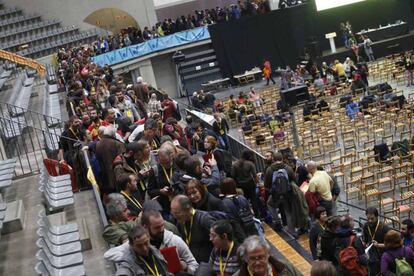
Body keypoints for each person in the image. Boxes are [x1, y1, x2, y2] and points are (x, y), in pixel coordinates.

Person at [141, 210, 199, 274]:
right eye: (157, 227)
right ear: (145, 227)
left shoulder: (175, 241)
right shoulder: (136, 246)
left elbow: (194, 265)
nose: (161, 229)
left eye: (162, 225)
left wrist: (185, 268)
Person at [170, 195, 215, 263]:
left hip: (206, 266)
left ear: (188, 209)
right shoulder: (181, 221)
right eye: (172, 212)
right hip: (191, 264)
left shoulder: (205, 220)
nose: (174, 216)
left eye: (177, 213)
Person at [234, 235, 302, 276]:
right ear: (246, 259)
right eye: (252, 258)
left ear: (268, 255)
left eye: (261, 257)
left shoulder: (285, 268)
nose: (257, 262)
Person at [95, 126, 125, 194]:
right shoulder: (118, 144)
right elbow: (123, 159)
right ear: (113, 134)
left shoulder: (98, 144)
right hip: (117, 176)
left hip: (104, 177)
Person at [363, 207, 390, 276]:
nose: (370, 221)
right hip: (370, 256)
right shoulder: (366, 226)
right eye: (368, 218)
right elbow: (365, 240)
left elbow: (390, 244)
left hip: (382, 256)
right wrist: (364, 244)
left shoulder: (384, 228)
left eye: (372, 218)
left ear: (377, 216)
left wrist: (378, 245)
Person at [231, 149, 258, 216]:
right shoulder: (250, 164)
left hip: (240, 184)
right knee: (253, 200)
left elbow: (233, 175)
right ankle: (257, 215)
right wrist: (256, 183)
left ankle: (248, 214)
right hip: (250, 183)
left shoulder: (235, 164)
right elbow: (254, 175)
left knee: (243, 200)